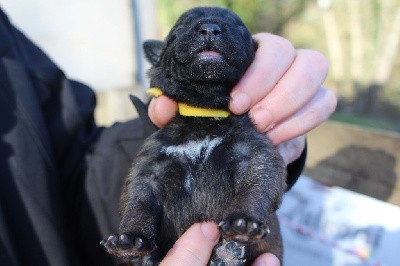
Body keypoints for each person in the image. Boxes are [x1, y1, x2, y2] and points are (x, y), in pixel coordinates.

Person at [0, 7, 336, 266]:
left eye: (231, 29)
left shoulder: (10, 51)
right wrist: (135, 234)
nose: (209, 30)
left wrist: (279, 119)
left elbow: (75, 162)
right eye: (187, 30)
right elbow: (144, 184)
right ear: (159, 58)